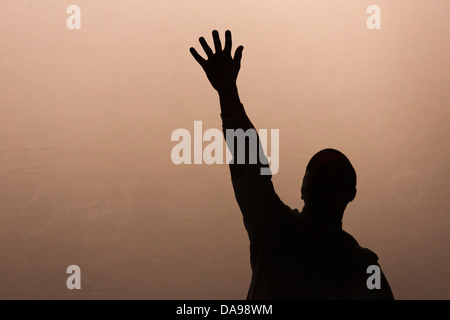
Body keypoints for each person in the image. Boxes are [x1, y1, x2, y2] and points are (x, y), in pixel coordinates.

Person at [190, 30, 394, 300]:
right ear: (301, 189)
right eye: (313, 167)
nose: (320, 171)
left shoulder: (363, 267)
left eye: (334, 169)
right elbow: (250, 169)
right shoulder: (276, 227)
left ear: (351, 192)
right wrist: (228, 93)